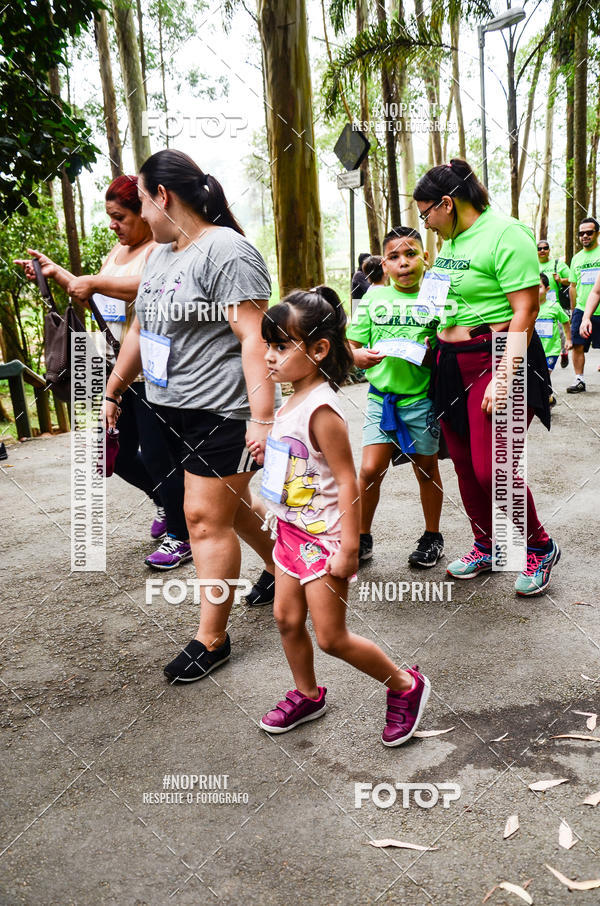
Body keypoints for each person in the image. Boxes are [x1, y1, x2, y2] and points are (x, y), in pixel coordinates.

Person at [104, 149, 276, 680]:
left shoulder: (226, 250)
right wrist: (113, 390)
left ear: (164, 196)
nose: (138, 215)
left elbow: (254, 335)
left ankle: (212, 639)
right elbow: (141, 330)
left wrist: (262, 417)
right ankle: (287, 560)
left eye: (143, 202)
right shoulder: (161, 254)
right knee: (228, 508)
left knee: (202, 518)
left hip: (219, 409)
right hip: (167, 408)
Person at [253, 287, 430, 746]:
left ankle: (405, 685)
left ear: (319, 349)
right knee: (287, 619)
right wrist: (265, 452)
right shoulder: (291, 398)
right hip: (292, 532)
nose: (268, 357)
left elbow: (349, 480)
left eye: (279, 346)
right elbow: (299, 459)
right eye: (267, 345)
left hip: (326, 538)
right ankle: (308, 694)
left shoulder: (323, 409)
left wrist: (350, 547)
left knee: (331, 636)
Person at [15, 175, 192, 567]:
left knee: (161, 457)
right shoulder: (117, 251)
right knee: (117, 455)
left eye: (120, 217)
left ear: (145, 215)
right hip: (118, 373)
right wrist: (55, 274)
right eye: (109, 217)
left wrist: (93, 281)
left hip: (152, 373)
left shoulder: (160, 252)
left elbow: (141, 289)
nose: (113, 225)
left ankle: (182, 536)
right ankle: (166, 505)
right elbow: (97, 292)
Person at [413, 158, 559, 597]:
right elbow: (438, 303)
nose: (426, 223)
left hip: (495, 358)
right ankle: (489, 544)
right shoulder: (452, 243)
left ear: (446, 203)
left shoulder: (505, 233)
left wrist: (503, 376)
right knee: (460, 461)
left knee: (491, 468)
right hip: (450, 362)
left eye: (426, 214)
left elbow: (525, 311)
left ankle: (538, 545)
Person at [347, 226, 444, 568]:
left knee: (426, 469)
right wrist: (356, 357)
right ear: (383, 266)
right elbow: (352, 345)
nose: (403, 263)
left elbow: (450, 342)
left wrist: (437, 350)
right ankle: (362, 537)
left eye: (411, 254)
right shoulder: (373, 298)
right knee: (370, 469)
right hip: (381, 399)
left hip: (421, 401)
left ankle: (432, 536)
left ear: (425, 258)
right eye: (394, 257)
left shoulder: (438, 298)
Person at [567, 217, 600, 392]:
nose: (585, 236)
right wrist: (573, 312)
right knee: (578, 344)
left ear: (597, 233)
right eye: (581, 233)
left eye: (589, 232)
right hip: (581, 308)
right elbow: (572, 286)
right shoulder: (576, 259)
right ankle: (579, 379)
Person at [536, 273, 571, 405]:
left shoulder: (554, 306)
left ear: (547, 289)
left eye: (539, 287)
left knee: (544, 374)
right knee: (537, 375)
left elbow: (565, 321)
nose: (535, 290)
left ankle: (545, 399)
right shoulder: (528, 308)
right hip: (535, 349)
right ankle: (549, 397)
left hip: (551, 350)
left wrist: (568, 339)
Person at [537, 239, 570, 368]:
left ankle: (563, 352)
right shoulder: (533, 266)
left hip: (555, 305)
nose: (542, 250)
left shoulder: (558, 264)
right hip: (539, 305)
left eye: (545, 248)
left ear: (549, 250)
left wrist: (561, 280)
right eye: (539, 249)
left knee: (559, 333)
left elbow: (572, 280)